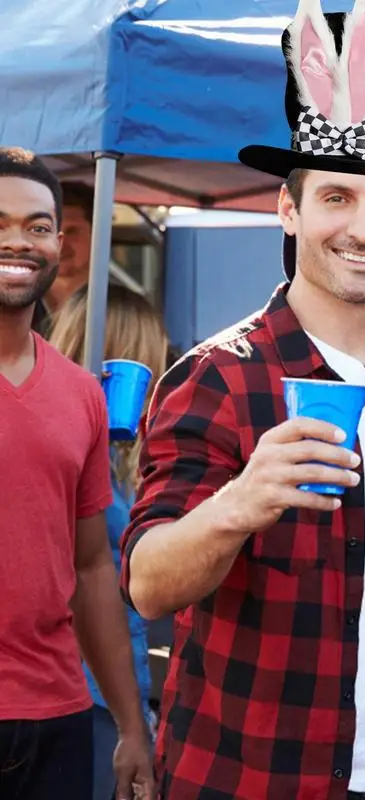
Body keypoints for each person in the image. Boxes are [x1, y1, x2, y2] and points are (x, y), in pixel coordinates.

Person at [119, 1, 365, 798]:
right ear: (289, 209)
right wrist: (240, 503)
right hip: (247, 779)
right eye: (336, 198)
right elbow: (146, 582)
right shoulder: (219, 375)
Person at [0, 147, 154, 799]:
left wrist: (130, 726)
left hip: (58, 716)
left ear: (61, 244)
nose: (19, 240)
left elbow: (93, 569)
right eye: (0, 222)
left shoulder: (82, 395)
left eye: (38, 225)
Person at [49, 283, 170, 800]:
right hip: (87, 690)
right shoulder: (73, 449)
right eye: (149, 364)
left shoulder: (129, 456)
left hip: (113, 687)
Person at [32, 181, 94, 335]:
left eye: (73, 231)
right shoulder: (13, 308)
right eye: (48, 230)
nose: (60, 243)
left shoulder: (120, 310)